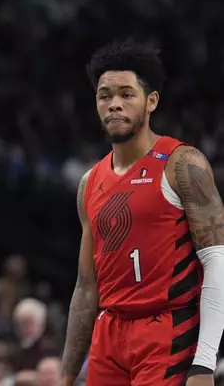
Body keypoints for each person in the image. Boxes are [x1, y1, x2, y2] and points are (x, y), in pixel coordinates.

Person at [60, 39, 224, 386]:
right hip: (109, 334)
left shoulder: (182, 163)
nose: (114, 104)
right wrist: (64, 375)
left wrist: (205, 361)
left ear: (151, 101)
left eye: (126, 94)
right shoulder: (89, 183)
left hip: (168, 328)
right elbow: (86, 288)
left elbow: (218, 261)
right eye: (105, 96)